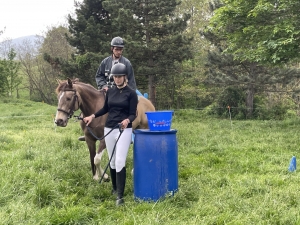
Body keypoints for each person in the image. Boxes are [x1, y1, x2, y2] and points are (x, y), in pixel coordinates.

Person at [83, 63, 138, 206]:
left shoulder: (131, 93)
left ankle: (120, 195)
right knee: (112, 161)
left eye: (119, 76)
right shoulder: (110, 92)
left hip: (124, 130)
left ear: (125, 77)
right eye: (115, 77)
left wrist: (127, 120)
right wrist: (92, 116)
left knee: (120, 161)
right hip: (109, 129)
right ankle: (114, 188)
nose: (117, 79)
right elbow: (105, 108)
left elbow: (133, 114)